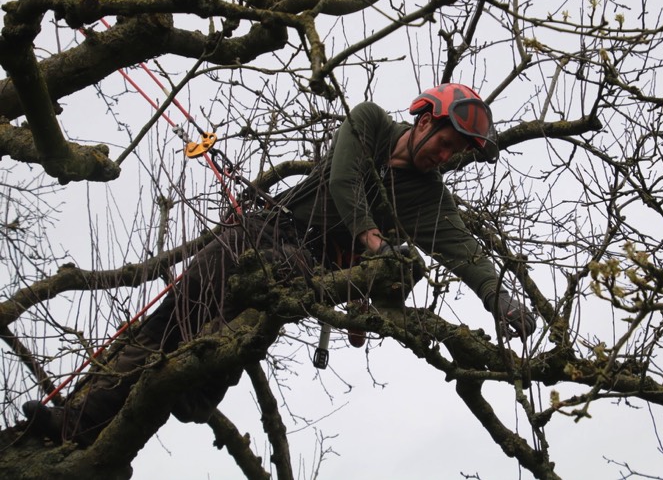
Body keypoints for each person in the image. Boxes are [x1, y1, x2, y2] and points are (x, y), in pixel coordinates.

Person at [23, 82, 537, 446]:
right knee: (170, 320)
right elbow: (343, 184)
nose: (443, 156)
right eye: (445, 142)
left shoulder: (430, 199)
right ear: (426, 119)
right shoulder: (371, 123)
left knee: (261, 292)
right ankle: (79, 425)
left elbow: (467, 252)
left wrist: (501, 299)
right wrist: (379, 244)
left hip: (308, 264)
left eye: (454, 154)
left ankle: (202, 385)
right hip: (269, 227)